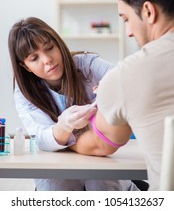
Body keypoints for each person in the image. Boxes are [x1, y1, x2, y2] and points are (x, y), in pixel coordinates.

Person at [70, 0, 174, 191]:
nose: (128, 32)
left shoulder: (128, 74)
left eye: (126, 19)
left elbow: (99, 144)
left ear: (148, 11)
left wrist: (61, 137)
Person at [8, 17, 138, 191]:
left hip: (103, 167)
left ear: (58, 43)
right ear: (25, 66)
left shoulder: (87, 65)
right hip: (58, 173)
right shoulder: (24, 93)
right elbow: (41, 137)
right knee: (59, 183)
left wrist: (111, 88)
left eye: (49, 48)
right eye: (34, 58)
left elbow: (123, 79)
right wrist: (63, 126)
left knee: (101, 182)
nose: (47, 60)